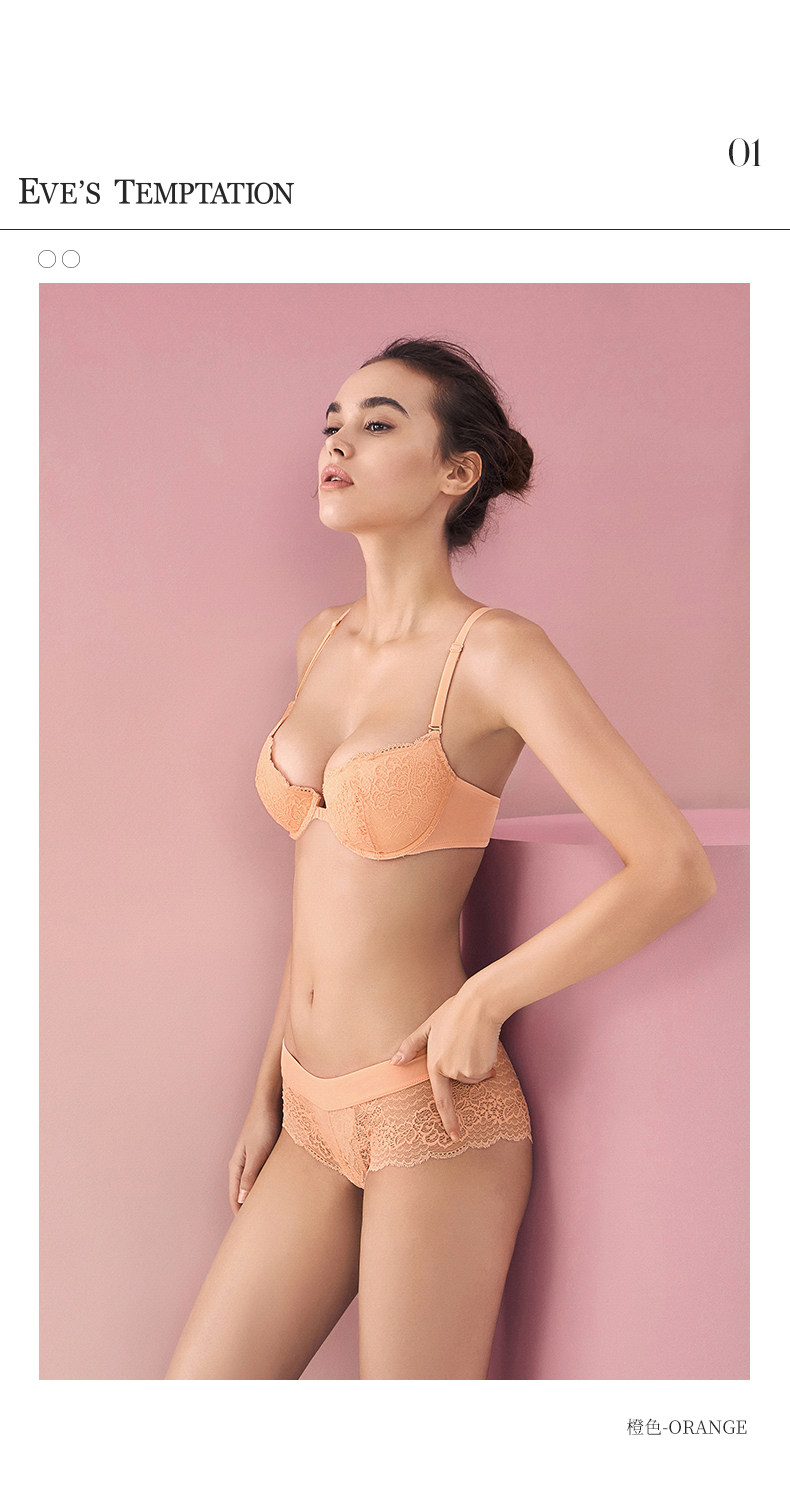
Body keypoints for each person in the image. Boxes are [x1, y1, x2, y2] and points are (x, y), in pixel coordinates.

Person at [165, 337, 716, 1380]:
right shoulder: (320, 642)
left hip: (432, 1111)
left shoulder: (496, 652)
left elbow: (672, 866)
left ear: (456, 471)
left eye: (378, 424)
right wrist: (264, 1090)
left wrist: (487, 997)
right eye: (332, 423)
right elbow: (322, 887)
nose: (338, 443)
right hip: (308, 1112)